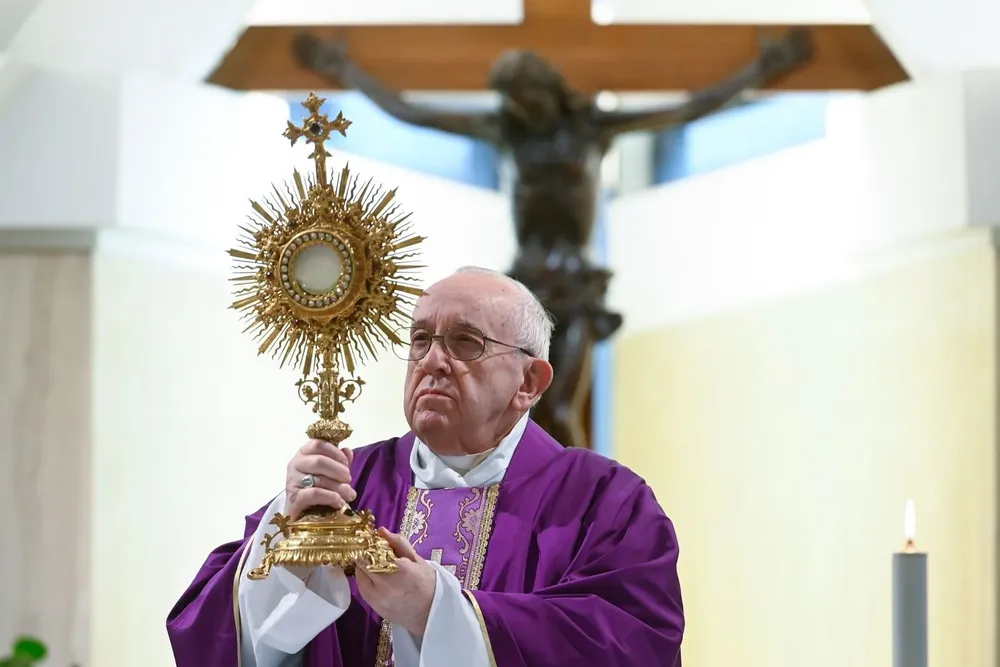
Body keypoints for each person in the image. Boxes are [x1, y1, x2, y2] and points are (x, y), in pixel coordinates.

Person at [166, 266, 684, 667]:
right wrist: (289, 554)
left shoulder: (604, 502)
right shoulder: (348, 485)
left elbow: (631, 644)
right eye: (420, 340)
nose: (433, 361)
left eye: (465, 342)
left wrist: (437, 610)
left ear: (530, 382)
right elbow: (208, 630)